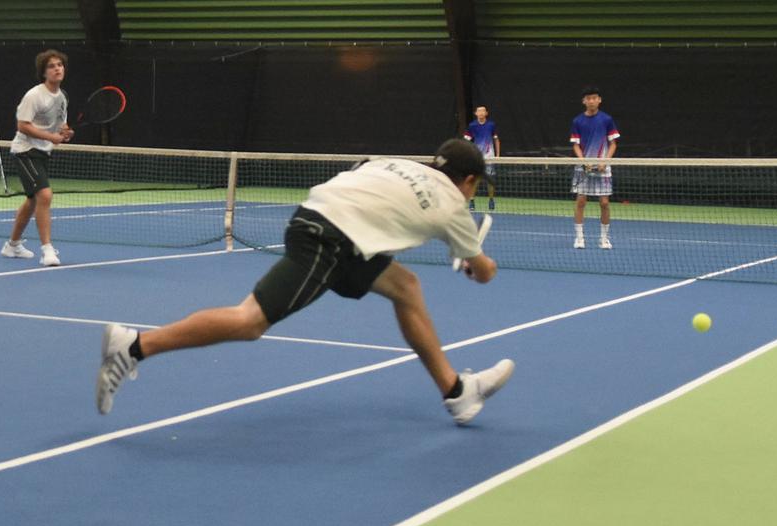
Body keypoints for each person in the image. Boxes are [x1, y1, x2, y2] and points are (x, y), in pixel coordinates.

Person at [95, 139, 515, 425]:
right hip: (326, 239)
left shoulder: (399, 164)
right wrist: (472, 262)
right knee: (249, 322)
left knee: (405, 286)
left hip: (326, 223)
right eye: (474, 188)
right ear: (470, 181)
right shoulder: (454, 208)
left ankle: (456, 392)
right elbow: (484, 272)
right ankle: (133, 346)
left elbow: (360, 182)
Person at [0, 49, 74, 266]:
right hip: (25, 151)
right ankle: (47, 250)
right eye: (51, 66)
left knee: (33, 201)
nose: (57, 68)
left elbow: (61, 124)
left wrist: (66, 132)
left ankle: (12, 246)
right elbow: (22, 125)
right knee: (45, 195)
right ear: (44, 72)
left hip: (43, 152)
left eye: (60, 65)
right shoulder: (34, 95)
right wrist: (51, 136)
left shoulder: (62, 97)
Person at [570, 86, 619, 249]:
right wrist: (584, 161)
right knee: (581, 201)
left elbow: (613, 144)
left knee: (604, 203)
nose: (591, 101)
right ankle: (579, 238)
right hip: (583, 167)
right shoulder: (577, 121)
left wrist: (605, 161)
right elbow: (575, 146)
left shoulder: (607, 119)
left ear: (599, 100)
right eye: (588, 98)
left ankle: (604, 239)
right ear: (584, 101)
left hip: (603, 166)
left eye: (594, 98)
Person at [463, 105, 501, 211]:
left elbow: (496, 139)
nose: (481, 113)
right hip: (477, 157)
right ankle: (472, 201)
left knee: (490, 180)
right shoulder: (472, 126)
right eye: (479, 111)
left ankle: (491, 200)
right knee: (475, 180)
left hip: (490, 157)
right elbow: (465, 140)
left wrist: (497, 155)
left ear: (486, 113)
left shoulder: (491, 125)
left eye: (483, 111)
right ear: (476, 114)